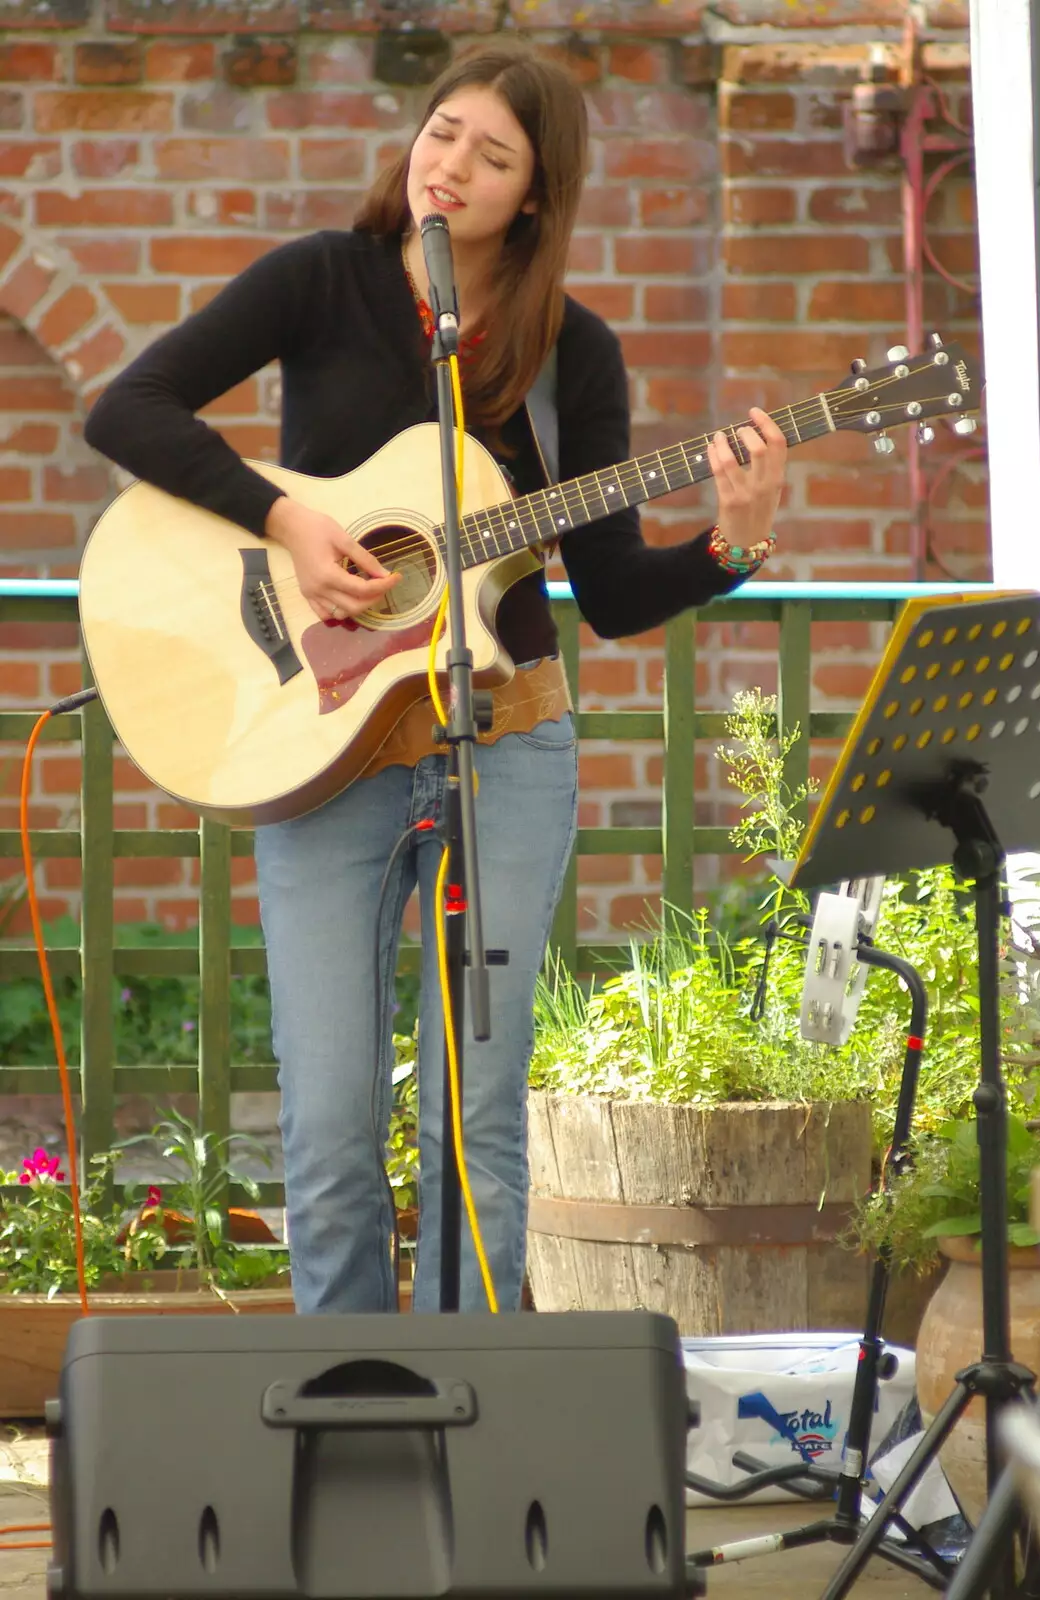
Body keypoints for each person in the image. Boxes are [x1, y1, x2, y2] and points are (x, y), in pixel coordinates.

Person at [84, 38, 789, 1316]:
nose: (451, 164)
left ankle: (477, 1395)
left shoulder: (573, 351)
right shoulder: (320, 281)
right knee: (332, 1116)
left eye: (492, 153)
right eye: (443, 131)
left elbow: (615, 594)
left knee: (484, 1106)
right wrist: (289, 521)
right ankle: (341, 1392)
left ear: (535, 195)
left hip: (503, 741)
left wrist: (732, 546)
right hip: (321, 743)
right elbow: (129, 408)